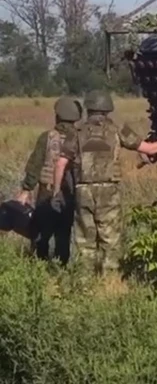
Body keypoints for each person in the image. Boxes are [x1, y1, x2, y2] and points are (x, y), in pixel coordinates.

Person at [56, 89, 157, 275]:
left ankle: (84, 280)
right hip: (109, 191)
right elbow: (151, 149)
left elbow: (61, 162)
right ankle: (109, 281)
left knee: (84, 240)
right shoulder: (118, 130)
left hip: (83, 191)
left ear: (88, 109)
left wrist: (58, 190)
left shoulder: (76, 132)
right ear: (107, 109)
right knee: (110, 239)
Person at [14, 96, 82, 265]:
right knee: (63, 234)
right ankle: (61, 268)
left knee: (40, 234)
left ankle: (40, 266)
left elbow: (35, 166)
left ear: (57, 115)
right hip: (70, 195)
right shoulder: (81, 138)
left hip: (47, 191)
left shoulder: (47, 137)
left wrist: (26, 189)